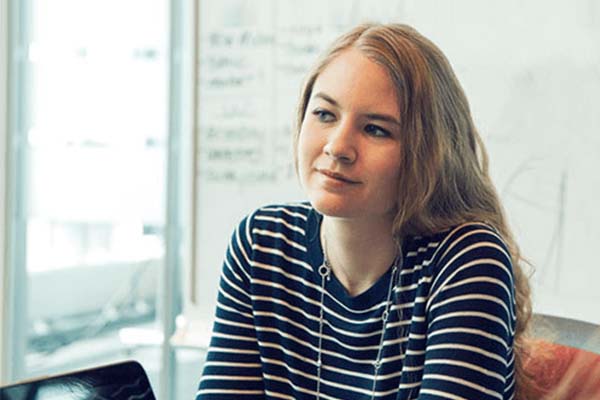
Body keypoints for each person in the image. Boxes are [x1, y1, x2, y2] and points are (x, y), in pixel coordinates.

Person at [196, 23, 532, 400]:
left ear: (427, 152)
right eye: (324, 114)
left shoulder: (468, 260)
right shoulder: (262, 244)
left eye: (375, 129)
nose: (338, 147)